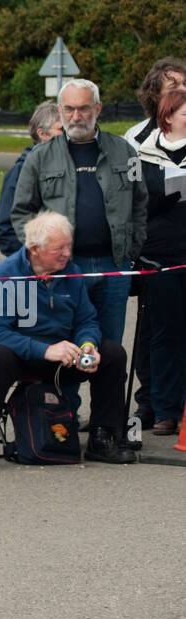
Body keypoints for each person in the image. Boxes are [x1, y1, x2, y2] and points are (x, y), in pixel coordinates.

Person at [0, 212, 135, 471]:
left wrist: (87, 345)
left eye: (68, 246)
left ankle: (103, 437)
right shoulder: (7, 273)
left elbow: (87, 320)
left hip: (58, 359)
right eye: (58, 248)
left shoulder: (71, 273)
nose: (66, 253)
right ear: (34, 249)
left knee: (112, 353)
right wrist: (46, 350)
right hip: (15, 358)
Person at [11, 79, 147, 345]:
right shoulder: (39, 157)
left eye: (84, 108)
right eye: (69, 109)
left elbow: (140, 202)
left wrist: (133, 250)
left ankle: (107, 387)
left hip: (114, 266)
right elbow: (20, 213)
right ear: (60, 109)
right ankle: (62, 389)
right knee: (65, 347)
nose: (76, 116)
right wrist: (40, 257)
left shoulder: (126, 151)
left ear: (98, 108)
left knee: (109, 352)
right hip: (64, 268)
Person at [125, 58, 186, 426]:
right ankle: (158, 407)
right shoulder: (137, 141)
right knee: (160, 332)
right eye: (174, 87)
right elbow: (135, 196)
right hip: (157, 256)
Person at [0, 102, 63, 255]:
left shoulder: (67, 167)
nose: (68, 135)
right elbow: (4, 231)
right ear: (42, 134)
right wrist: (34, 259)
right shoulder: (20, 171)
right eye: (61, 129)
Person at [125, 58, 186, 149]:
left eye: (185, 84)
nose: (184, 90)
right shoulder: (134, 137)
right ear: (155, 95)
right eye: (174, 87)